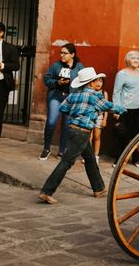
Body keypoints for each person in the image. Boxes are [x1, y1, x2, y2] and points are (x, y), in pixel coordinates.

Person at [38, 67, 126, 204]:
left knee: (90, 159)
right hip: (83, 132)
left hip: (73, 130)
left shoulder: (73, 95)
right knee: (66, 162)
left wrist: (76, 113)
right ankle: (47, 191)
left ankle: (99, 188)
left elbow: (62, 108)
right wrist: (122, 109)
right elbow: (109, 106)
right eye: (95, 81)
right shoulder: (95, 96)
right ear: (90, 83)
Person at [39, 43, 84, 160]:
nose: (62, 55)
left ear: (72, 54)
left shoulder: (79, 67)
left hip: (70, 99)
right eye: (61, 53)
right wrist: (57, 83)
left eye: (65, 53)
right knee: (51, 122)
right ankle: (46, 148)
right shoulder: (56, 65)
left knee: (66, 125)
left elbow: (84, 82)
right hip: (56, 96)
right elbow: (46, 79)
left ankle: (62, 150)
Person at [0, 21, 20, 154]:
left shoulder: (10, 48)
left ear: (1, 33)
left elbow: (16, 65)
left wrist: (1, 65)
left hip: (0, 86)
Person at [113, 50, 139, 167]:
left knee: (138, 134)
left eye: (138, 58)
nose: (136, 60)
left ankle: (137, 158)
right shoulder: (121, 74)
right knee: (123, 134)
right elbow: (116, 92)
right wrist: (116, 109)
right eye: (133, 58)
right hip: (125, 109)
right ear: (128, 60)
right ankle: (120, 159)